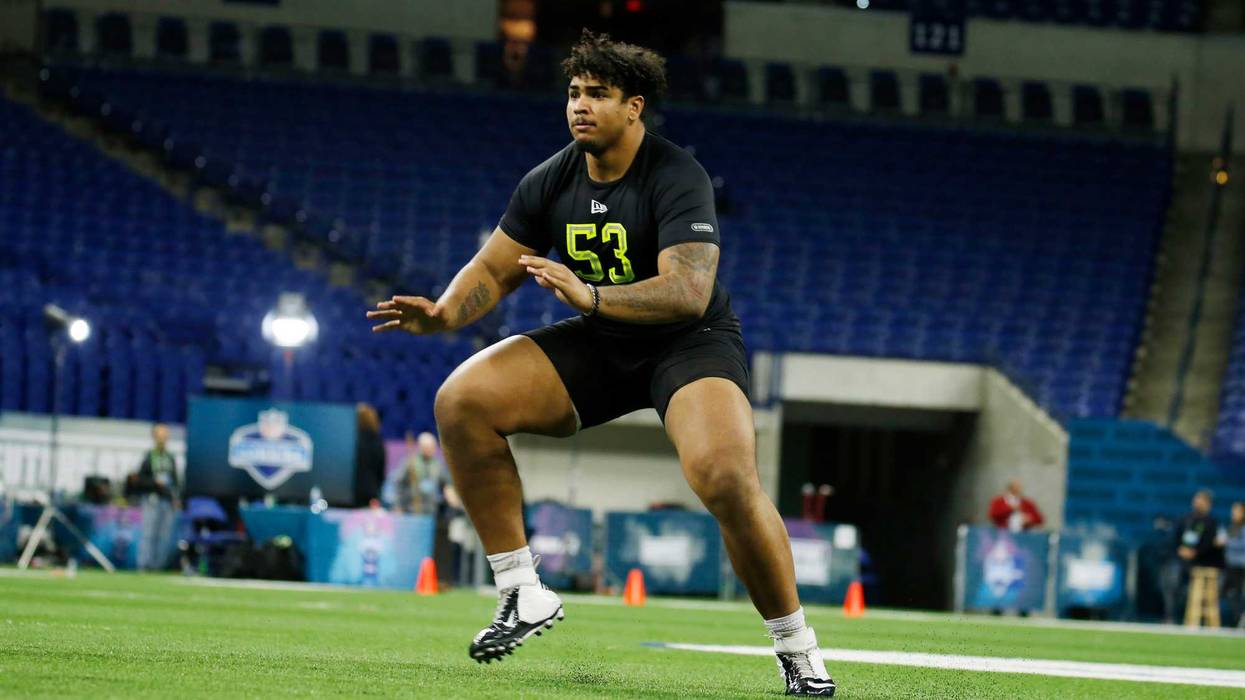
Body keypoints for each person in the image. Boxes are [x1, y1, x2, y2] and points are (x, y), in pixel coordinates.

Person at [367, 30, 835, 696]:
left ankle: (796, 648)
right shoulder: (550, 179)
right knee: (461, 400)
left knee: (725, 478)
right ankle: (521, 590)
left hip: (688, 341)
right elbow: (495, 269)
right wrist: (442, 315)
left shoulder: (676, 174)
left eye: (597, 94)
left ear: (634, 107)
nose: (579, 106)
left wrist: (590, 295)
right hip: (603, 339)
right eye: (573, 93)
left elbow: (688, 290)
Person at [133, 423, 179, 570]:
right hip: (151, 499)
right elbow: (140, 479)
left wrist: (175, 498)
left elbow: (175, 480)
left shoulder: (170, 457)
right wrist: (154, 482)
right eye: (160, 436)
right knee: (148, 534)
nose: (162, 439)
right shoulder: (149, 457)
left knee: (163, 536)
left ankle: (157, 566)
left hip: (166, 501)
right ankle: (143, 565)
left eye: (165, 436)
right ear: (154, 437)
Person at [388, 431, 445, 514]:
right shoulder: (410, 462)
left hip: (431, 509)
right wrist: (398, 505)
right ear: (421, 447)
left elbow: (446, 485)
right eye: (427, 447)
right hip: (411, 508)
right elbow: (398, 483)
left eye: (432, 447)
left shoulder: (438, 464)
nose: (430, 449)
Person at [354, 403, 385, 507]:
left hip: (350, 492)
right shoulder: (378, 442)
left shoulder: (352, 441)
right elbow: (380, 473)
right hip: (370, 495)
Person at [1222, 501, 1244, 628]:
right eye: (1233, 511)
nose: (1234, 514)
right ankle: (1240, 616)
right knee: (1228, 592)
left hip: (1240, 566)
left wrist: (1227, 541)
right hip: (1231, 565)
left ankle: (1241, 616)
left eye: (1237, 511)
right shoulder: (1233, 527)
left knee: (1236, 592)